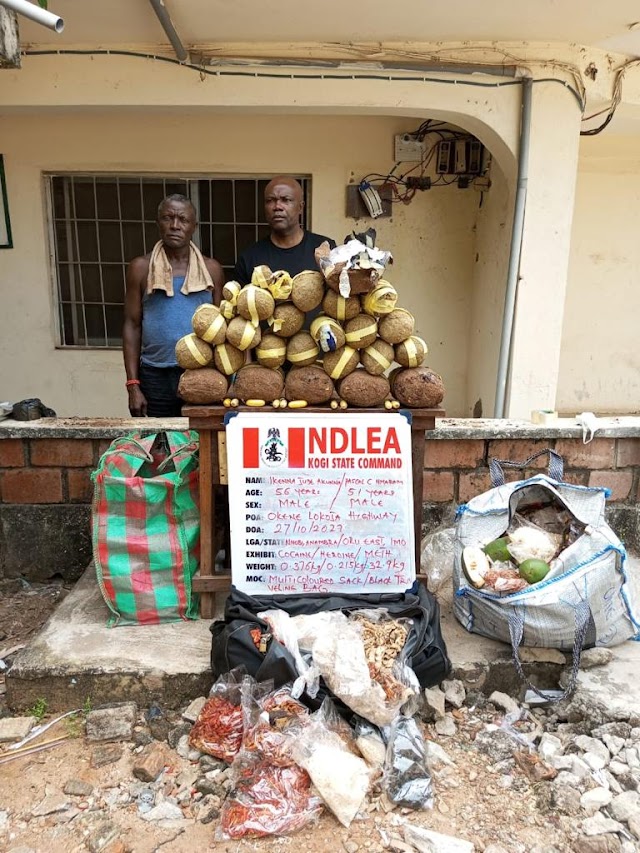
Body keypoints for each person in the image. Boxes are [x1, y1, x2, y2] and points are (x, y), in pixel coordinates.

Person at [123, 194, 224, 417]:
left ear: (194, 226)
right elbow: (132, 326)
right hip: (154, 375)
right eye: (168, 218)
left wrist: (223, 379)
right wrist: (133, 385)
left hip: (201, 374)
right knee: (160, 446)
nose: (175, 225)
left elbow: (222, 330)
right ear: (158, 223)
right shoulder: (140, 268)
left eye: (183, 220)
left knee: (201, 445)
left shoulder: (211, 269)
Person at [233, 176, 335, 283]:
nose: (277, 206)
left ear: (300, 207)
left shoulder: (325, 250)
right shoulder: (249, 258)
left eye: (286, 200)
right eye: (270, 200)